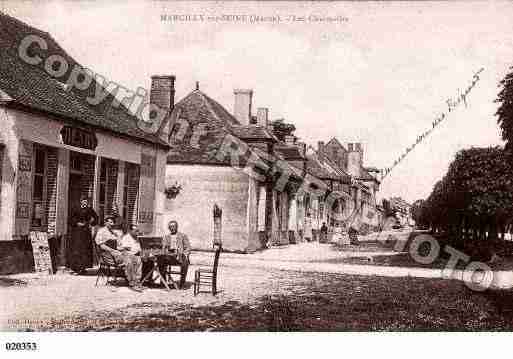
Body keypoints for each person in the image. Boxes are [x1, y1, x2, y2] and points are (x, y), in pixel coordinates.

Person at [95, 216, 144, 292]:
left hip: (118, 252)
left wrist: (123, 249)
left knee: (137, 259)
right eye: (110, 222)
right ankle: (132, 283)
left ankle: (137, 281)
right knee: (129, 261)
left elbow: (119, 245)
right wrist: (112, 250)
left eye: (113, 222)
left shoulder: (113, 232)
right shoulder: (101, 231)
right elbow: (101, 245)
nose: (112, 224)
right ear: (105, 222)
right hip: (107, 254)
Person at [68, 196, 98, 274]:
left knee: (85, 250)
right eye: (83, 201)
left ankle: (83, 268)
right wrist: (77, 223)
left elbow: (96, 217)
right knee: (77, 249)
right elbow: (70, 219)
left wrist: (92, 223)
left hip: (86, 232)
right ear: (80, 201)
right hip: (77, 232)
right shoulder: (76, 209)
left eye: (86, 201)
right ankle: (76, 268)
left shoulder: (89, 209)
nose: (85, 202)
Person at [157, 220, 191, 289]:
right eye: (170, 227)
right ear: (169, 228)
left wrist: (184, 254)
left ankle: (182, 283)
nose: (172, 228)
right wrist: (165, 250)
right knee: (160, 260)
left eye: (173, 226)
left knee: (185, 263)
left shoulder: (183, 236)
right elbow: (163, 248)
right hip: (169, 256)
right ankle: (163, 281)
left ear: (177, 227)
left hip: (180, 255)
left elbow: (188, 248)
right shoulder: (166, 237)